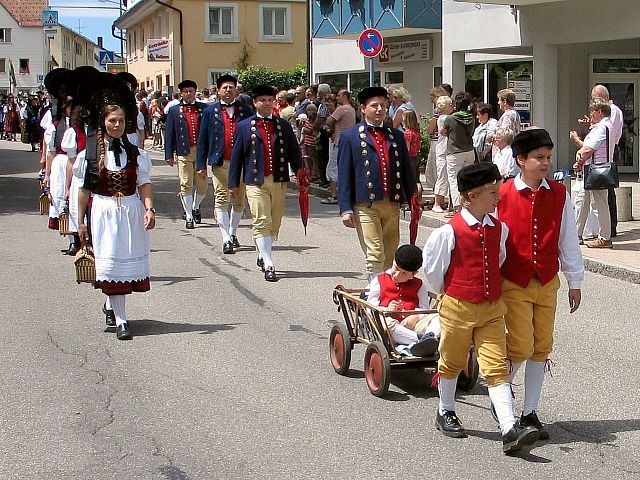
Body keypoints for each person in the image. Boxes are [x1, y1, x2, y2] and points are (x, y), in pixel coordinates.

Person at [424, 162, 539, 454]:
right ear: (471, 196)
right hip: (458, 306)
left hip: (490, 308)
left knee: (496, 367)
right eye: (491, 192)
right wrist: (450, 295)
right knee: (452, 360)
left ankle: (509, 428)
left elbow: (498, 260)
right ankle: (445, 410)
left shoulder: (498, 228)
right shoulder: (448, 232)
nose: (497, 198)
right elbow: (435, 271)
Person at [496, 128, 584, 440]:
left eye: (548, 157)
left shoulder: (559, 194)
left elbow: (567, 240)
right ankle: (501, 395)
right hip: (514, 280)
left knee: (540, 347)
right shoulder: (502, 194)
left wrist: (574, 279)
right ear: (521, 160)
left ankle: (530, 411)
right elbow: (494, 241)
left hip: (547, 279)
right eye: (539, 157)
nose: (545, 163)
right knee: (520, 344)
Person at [76, 72, 156, 341]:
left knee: (122, 267)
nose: (117, 125)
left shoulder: (135, 152)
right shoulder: (90, 155)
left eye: (121, 121)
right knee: (112, 265)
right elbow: (84, 191)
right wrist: (80, 222)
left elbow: (144, 182)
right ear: (103, 122)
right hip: (103, 212)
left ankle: (112, 306)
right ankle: (122, 320)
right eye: (113, 121)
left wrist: (149, 208)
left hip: (130, 212)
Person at [338, 86, 416, 278]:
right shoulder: (350, 136)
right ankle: (375, 294)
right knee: (375, 253)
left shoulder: (396, 135)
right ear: (363, 108)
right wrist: (346, 208)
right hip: (366, 204)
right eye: (374, 105)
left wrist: (413, 198)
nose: (380, 109)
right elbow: (344, 175)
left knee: (390, 255)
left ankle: (382, 290)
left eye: (383, 105)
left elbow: (407, 170)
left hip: (392, 203)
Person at [228, 85, 303, 282]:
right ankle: (269, 262)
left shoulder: (283, 125)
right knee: (261, 220)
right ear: (255, 103)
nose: (267, 103)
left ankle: (262, 253)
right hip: (255, 181)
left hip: (278, 180)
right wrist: (233, 183)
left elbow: (293, 151)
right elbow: (237, 157)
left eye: (270, 100)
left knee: (274, 223)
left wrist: (300, 171)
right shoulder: (244, 126)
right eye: (263, 100)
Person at [196, 74, 253, 254]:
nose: (228, 90)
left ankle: (233, 232)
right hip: (220, 162)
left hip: (242, 163)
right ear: (218, 91)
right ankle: (225, 238)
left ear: (236, 90)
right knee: (221, 198)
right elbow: (203, 139)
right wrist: (200, 164)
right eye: (224, 88)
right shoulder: (209, 112)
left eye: (231, 87)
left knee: (238, 199)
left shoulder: (246, 110)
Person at [367, 244, 440, 356]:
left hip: (413, 326)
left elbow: (425, 309)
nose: (396, 275)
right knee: (385, 321)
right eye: (396, 268)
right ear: (393, 261)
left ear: (413, 274)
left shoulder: (419, 285)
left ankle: (430, 340)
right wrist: (386, 309)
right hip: (391, 328)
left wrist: (416, 316)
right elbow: (370, 307)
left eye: (404, 273)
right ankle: (419, 341)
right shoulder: (379, 280)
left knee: (438, 317)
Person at [164, 79, 208, 228]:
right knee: (186, 183)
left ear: (196, 92)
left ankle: (195, 206)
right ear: (181, 94)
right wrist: (168, 154)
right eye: (186, 91)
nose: (189, 94)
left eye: (191, 91)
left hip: (201, 152)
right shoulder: (174, 111)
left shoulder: (204, 109)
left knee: (202, 185)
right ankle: (189, 215)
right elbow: (169, 133)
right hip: (184, 151)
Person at [572, 99, 615, 248]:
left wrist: (579, 159)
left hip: (596, 171)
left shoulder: (602, 128)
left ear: (599, 112)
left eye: (592, 111)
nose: (590, 114)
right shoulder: (603, 126)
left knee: (599, 203)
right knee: (583, 202)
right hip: (592, 170)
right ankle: (576, 234)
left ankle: (604, 237)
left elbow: (589, 149)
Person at [441, 92, 475, 217]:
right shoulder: (471, 117)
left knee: (454, 180)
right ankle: (469, 205)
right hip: (469, 150)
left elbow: (443, 132)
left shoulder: (450, 118)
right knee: (467, 179)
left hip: (455, 152)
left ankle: (457, 207)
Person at [322, 90, 356, 205]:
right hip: (350, 142)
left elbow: (329, 120)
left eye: (339, 95)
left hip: (339, 141)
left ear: (345, 96)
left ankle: (334, 195)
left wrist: (330, 129)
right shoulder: (351, 109)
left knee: (332, 168)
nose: (337, 97)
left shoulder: (341, 109)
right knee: (346, 167)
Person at [432, 95, 453, 214]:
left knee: (448, 175)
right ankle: (437, 203)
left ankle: (448, 202)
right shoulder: (443, 118)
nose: (452, 107)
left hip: (447, 149)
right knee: (442, 175)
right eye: (450, 105)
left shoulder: (447, 117)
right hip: (443, 150)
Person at [424, 87, 447, 195]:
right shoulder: (450, 109)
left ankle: (438, 195)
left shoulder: (439, 111)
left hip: (437, 142)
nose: (430, 100)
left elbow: (431, 128)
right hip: (443, 142)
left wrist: (428, 130)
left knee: (434, 169)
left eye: (432, 97)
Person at [491, 89, 521, 159]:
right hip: (511, 149)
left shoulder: (507, 115)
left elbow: (504, 134)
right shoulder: (515, 113)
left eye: (499, 100)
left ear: (504, 101)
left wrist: (493, 135)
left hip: (504, 152)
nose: (498, 103)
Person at [402, 109, 423, 201]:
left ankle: (410, 198)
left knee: (409, 179)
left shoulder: (407, 133)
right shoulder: (416, 131)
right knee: (416, 178)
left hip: (409, 157)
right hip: (416, 156)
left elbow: (407, 148)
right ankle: (417, 196)